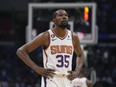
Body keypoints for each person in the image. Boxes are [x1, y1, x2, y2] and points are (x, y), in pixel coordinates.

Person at [16, 9, 84, 87]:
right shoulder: (46, 36)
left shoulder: (73, 37)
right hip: (51, 79)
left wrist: (77, 71)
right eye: (60, 15)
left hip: (67, 79)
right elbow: (21, 51)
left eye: (66, 15)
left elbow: (80, 54)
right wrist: (37, 68)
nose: (64, 17)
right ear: (54, 21)